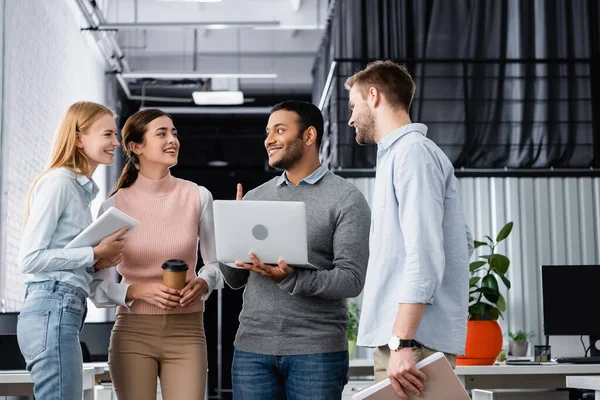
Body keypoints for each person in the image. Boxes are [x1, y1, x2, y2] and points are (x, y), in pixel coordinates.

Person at [220, 100, 371, 400]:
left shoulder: (346, 199)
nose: (269, 140)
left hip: (316, 352)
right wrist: (229, 235)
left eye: (279, 130)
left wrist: (290, 278)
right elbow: (234, 279)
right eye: (267, 132)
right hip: (252, 349)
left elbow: (351, 280)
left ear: (309, 136)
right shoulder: (255, 196)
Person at [345, 60, 474, 399]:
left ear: (373, 96)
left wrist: (403, 340)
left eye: (353, 105)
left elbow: (425, 254)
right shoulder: (400, 155)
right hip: (409, 341)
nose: (351, 118)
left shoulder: (412, 154)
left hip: (412, 345)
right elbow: (462, 242)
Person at [88, 108, 223, 400]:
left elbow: (215, 264)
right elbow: (97, 288)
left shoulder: (197, 196)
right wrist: (137, 291)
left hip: (187, 332)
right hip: (132, 333)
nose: (172, 139)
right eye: (161, 133)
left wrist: (203, 283)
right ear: (136, 147)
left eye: (174, 132)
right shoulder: (113, 207)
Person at [17, 101, 127, 400]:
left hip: (62, 307)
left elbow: (64, 258)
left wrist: (98, 260)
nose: (116, 142)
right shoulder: (60, 183)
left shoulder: (81, 191)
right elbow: (29, 259)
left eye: (115, 135)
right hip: (53, 306)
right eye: (107, 134)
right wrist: (93, 254)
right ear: (79, 138)